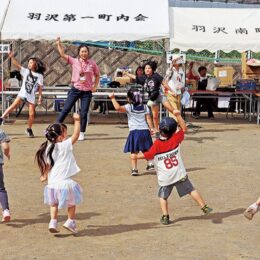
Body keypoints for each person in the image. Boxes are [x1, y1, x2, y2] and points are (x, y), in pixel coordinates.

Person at [131, 115, 213, 225]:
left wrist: (136, 157)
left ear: (160, 129)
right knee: (191, 190)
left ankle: (165, 216)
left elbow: (149, 155)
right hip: (179, 174)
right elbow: (184, 129)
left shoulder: (157, 145)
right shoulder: (176, 139)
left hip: (166, 178)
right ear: (174, 131)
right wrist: (178, 115)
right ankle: (204, 207)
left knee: (163, 197)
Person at [35, 113, 82, 233]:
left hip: (52, 184)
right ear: (60, 138)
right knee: (72, 203)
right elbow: (76, 136)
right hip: (65, 183)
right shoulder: (63, 146)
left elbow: (48, 165)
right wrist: (77, 121)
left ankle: (53, 222)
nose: (67, 135)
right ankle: (70, 221)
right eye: (65, 132)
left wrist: (44, 175)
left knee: (53, 205)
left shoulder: (47, 148)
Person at [56, 37, 100, 141]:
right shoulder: (74, 61)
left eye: (85, 51)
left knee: (84, 112)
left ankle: (82, 132)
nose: (84, 53)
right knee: (66, 109)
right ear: (79, 52)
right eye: (82, 51)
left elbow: (97, 75)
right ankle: (55, 128)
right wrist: (58, 44)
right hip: (75, 89)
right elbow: (62, 54)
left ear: (88, 53)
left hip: (87, 92)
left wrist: (95, 86)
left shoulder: (92, 63)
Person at [109, 88, 155, 176]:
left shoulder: (129, 107)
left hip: (134, 132)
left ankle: (134, 169)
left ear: (129, 99)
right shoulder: (145, 107)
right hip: (145, 131)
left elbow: (118, 108)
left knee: (134, 151)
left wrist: (112, 98)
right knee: (146, 149)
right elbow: (148, 119)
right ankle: (150, 163)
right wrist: (151, 128)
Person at [0, 52, 45, 137]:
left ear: (35, 64)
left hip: (31, 96)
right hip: (22, 93)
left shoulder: (40, 76)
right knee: (13, 106)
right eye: (29, 62)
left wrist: (39, 97)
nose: (29, 64)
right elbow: (16, 64)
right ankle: (2, 117)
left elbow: (40, 88)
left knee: (31, 114)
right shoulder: (25, 71)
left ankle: (29, 129)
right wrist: (11, 56)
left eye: (31, 62)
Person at [136, 60, 175, 138]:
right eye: (146, 68)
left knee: (172, 110)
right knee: (155, 116)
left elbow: (164, 83)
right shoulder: (144, 77)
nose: (147, 69)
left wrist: (171, 91)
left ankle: (178, 125)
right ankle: (157, 131)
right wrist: (126, 73)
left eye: (149, 68)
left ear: (152, 69)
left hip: (159, 94)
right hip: (153, 98)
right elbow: (135, 77)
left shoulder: (156, 76)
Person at [164, 58, 185, 122]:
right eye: (175, 61)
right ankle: (175, 125)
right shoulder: (171, 70)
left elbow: (183, 81)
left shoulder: (181, 71)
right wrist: (170, 67)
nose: (176, 62)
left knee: (178, 110)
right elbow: (167, 74)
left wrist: (181, 86)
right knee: (174, 110)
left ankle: (177, 125)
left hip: (178, 92)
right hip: (170, 92)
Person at [0, 129, 11, 222]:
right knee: (1, 188)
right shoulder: (0, 131)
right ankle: (6, 210)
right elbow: (5, 147)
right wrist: (7, 155)